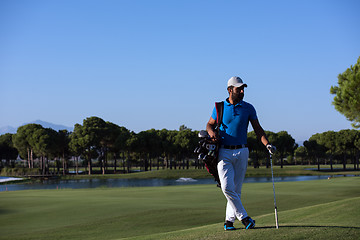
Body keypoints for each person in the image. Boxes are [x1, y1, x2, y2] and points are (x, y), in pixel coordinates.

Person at [206, 76, 276, 230]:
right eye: (239, 89)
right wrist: (211, 134)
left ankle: (228, 222)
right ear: (230, 90)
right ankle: (245, 218)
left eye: (243, 88)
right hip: (224, 152)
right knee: (226, 187)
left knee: (236, 189)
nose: (242, 91)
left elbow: (258, 129)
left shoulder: (249, 108)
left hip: (242, 151)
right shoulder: (219, 107)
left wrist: (267, 144)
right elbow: (209, 125)